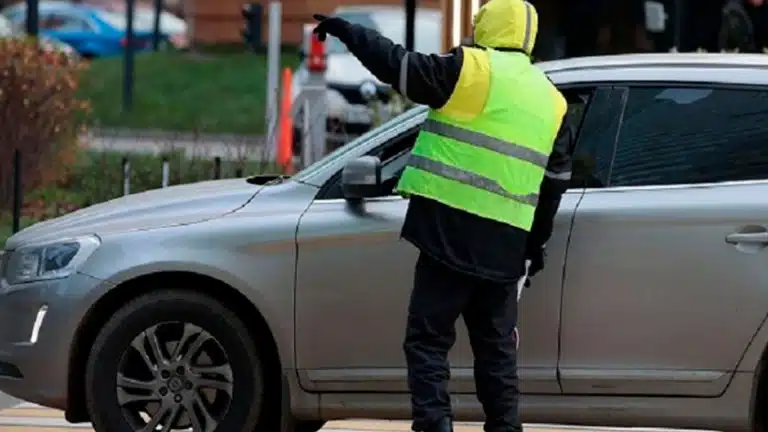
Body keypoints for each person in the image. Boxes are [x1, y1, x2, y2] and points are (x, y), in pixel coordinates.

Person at [313, 1, 572, 431]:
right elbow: (555, 182)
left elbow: (397, 67)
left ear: (486, 24)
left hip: (448, 233)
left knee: (428, 343)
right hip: (506, 248)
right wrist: (533, 247)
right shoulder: (551, 100)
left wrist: (350, 32)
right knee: (497, 356)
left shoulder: (469, 70)